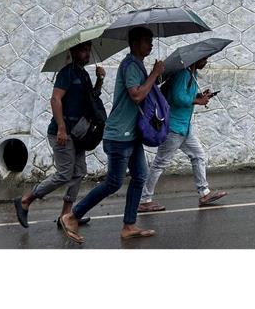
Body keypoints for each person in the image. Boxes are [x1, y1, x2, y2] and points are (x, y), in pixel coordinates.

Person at [59, 27, 164, 242]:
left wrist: (156, 76)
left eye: (151, 41)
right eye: (147, 40)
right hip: (119, 135)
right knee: (113, 182)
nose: (151, 45)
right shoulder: (130, 65)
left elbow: (144, 93)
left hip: (131, 133)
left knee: (140, 176)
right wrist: (154, 74)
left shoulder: (138, 65)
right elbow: (136, 95)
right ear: (135, 43)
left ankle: (129, 225)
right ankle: (72, 216)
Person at [13, 42, 104, 229]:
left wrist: (100, 80)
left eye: (88, 50)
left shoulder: (84, 74)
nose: (86, 53)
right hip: (62, 133)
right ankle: (25, 200)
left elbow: (91, 100)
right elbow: (55, 99)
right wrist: (62, 128)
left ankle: (66, 215)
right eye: (82, 50)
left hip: (78, 134)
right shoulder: (66, 73)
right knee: (64, 173)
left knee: (79, 172)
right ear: (73, 52)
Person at [138, 56, 226, 212]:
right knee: (160, 163)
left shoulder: (192, 75)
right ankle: (144, 199)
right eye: (204, 59)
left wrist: (199, 96)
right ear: (195, 59)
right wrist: (197, 101)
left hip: (185, 128)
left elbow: (186, 96)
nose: (206, 61)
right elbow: (177, 97)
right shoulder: (183, 74)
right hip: (174, 127)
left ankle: (204, 192)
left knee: (198, 155)